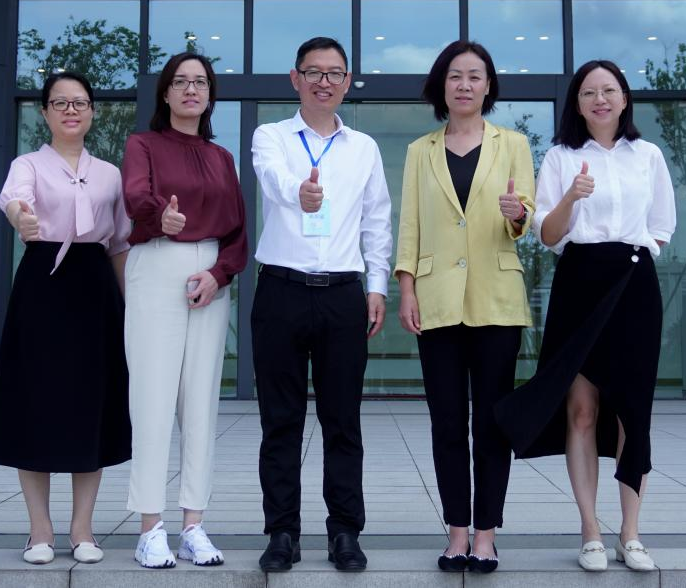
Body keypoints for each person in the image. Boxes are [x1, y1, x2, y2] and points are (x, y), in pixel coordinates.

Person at [495, 60, 675, 573]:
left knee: (633, 412)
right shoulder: (560, 156)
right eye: (589, 92)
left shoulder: (648, 155)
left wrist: (631, 258)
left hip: (633, 285)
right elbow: (548, 235)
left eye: (609, 90)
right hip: (579, 281)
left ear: (624, 99)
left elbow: (661, 226)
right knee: (581, 409)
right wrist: (572, 197)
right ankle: (590, 530)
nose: (600, 99)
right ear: (576, 102)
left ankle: (631, 534)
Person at [0, 72, 133, 566]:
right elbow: (15, 199)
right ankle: (39, 530)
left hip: (95, 286)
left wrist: (129, 308)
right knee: (36, 402)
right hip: (43, 282)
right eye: (60, 102)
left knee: (92, 404)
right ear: (44, 112)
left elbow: (120, 243)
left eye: (80, 102)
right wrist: (21, 217)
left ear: (92, 112)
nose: (71, 110)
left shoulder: (110, 174)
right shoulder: (27, 164)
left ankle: (82, 529)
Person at [250, 36, 392, 574]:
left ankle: (345, 532)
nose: (324, 82)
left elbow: (377, 220)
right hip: (281, 291)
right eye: (314, 72)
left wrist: (377, 286)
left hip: (342, 295)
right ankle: (282, 532)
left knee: (343, 421)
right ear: (296, 79)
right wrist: (299, 192)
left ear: (347, 82)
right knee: (279, 421)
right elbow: (272, 178)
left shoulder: (364, 148)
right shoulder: (271, 136)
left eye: (335, 73)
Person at [395, 40, 535, 574]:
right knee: (447, 423)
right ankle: (456, 532)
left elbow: (524, 219)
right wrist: (407, 288)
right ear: (441, 84)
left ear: (488, 86)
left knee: (493, 424)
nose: (465, 85)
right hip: (435, 302)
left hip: (496, 301)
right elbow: (410, 225)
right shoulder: (420, 151)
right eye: (455, 75)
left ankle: (486, 535)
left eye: (475, 76)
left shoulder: (513, 144)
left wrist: (517, 213)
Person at [121, 52, 247, 569]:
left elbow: (237, 229)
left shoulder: (221, 157)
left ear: (210, 94)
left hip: (209, 276)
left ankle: (193, 523)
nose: (191, 89)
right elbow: (136, 197)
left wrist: (219, 275)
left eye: (200, 82)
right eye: (180, 82)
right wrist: (161, 219)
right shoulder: (143, 144)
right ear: (166, 93)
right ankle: (150, 527)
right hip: (157, 264)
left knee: (201, 403)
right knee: (152, 399)